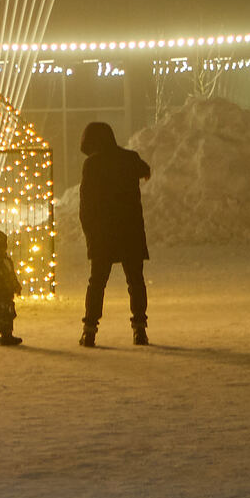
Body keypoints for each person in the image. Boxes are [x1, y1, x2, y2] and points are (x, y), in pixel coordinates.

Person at [78, 121, 151, 347]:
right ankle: (140, 329)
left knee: (97, 283)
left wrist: (89, 231)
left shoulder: (92, 165)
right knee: (135, 281)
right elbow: (144, 170)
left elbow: (86, 205)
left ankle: (89, 330)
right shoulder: (129, 158)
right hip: (130, 231)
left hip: (103, 234)